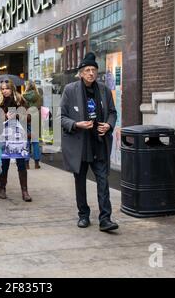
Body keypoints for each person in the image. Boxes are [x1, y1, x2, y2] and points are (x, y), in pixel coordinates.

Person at [60, 52, 119, 232]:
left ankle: (105, 219)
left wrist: (108, 125)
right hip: (80, 144)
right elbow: (62, 117)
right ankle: (83, 215)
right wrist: (76, 124)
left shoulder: (104, 90)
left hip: (99, 142)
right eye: (87, 70)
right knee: (80, 181)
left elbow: (112, 112)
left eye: (93, 70)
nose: (91, 73)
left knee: (103, 180)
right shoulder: (70, 90)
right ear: (80, 73)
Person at [0, 78, 32, 202]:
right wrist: (3, 116)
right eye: (3, 89)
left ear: (12, 88)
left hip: (19, 136)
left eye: (7, 88)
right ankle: (2, 188)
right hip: (4, 136)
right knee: (4, 163)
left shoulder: (21, 100)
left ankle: (24, 191)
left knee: (21, 163)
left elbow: (29, 118)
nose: (5, 91)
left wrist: (17, 115)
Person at [22, 81, 43, 170]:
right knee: (35, 142)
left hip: (26, 119)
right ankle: (36, 163)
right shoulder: (38, 97)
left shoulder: (23, 96)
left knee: (26, 142)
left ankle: (26, 163)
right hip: (35, 119)